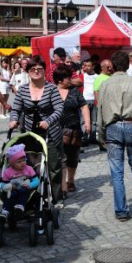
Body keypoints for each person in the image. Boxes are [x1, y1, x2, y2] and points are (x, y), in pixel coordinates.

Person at [97, 51, 132, 222]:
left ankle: (121, 211)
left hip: (113, 128)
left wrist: (101, 134)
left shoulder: (105, 84)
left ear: (112, 66)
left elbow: (100, 110)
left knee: (117, 172)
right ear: (128, 65)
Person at [9, 56, 64, 203]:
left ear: (44, 71)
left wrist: (48, 121)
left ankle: (57, 197)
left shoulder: (51, 88)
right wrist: (13, 119)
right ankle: (35, 195)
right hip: (29, 134)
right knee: (30, 166)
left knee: (54, 167)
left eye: (40, 69)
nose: (36, 71)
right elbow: (16, 109)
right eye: (33, 69)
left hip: (50, 133)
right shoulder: (22, 90)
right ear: (28, 71)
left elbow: (59, 109)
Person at [55, 65, 91, 194]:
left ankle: (70, 180)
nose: (70, 80)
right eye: (67, 78)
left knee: (72, 157)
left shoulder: (74, 91)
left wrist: (87, 122)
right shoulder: (51, 91)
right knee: (61, 157)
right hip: (57, 129)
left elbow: (84, 105)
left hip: (74, 129)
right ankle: (63, 184)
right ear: (59, 80)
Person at [0, 144, 39, 221]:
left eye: (24, 160)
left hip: (25, 188)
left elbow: (36, 180)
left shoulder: (29, 169)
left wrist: (30, 185)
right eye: (19, 162)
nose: (23, 163)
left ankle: (20, 207)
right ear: (12, 163)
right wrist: (6, 187)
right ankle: (5, 211)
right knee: (10, 195)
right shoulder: (8, 172)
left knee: (23, 190)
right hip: (12, 190)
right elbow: (3, 184)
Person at [93, 59, 113, 151]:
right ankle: (102, 142)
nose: (110, 68)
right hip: (103, 105)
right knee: (102, 125)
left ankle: (111, 141)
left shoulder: (112, 76)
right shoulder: (99, 78)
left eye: (110, 66)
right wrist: (99, 104)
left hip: (112, 104)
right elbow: (96, 91)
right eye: (107, 67)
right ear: (102, 68)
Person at [81, 59, 98, 145]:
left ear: (93, 66)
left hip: (94, 99)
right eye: (85, 66)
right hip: (84, 100)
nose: (86, 68)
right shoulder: (83, 76)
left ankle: (93, 137)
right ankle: (84, 138)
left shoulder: (97, 76)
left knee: (94, 120)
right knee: (84, 120)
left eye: (88, 66)